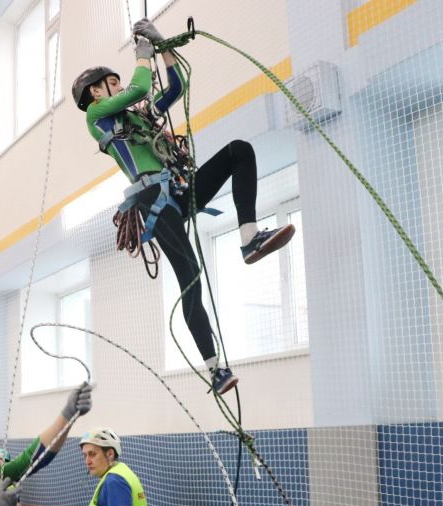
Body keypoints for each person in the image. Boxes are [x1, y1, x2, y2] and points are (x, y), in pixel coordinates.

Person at [71, 18, 295, 395]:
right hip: (153, 202)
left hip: (176, 190)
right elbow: (141, 84)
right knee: (190, 276)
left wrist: (163, 49)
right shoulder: (98, 117)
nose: (120, 86)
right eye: (112, 83)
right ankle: (215, 369)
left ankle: (250, 238)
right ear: (96, 92)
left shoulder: (137, 117)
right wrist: (143, 54)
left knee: (239, 151)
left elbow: (176, 87)